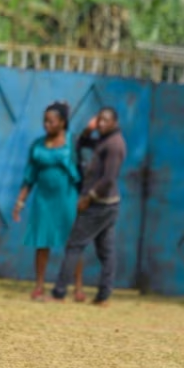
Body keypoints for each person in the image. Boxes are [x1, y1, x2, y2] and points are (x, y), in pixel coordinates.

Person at [50, 107, 126, 307]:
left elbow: (109, 178)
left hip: (99, 205)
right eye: (99, 120)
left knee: (74, 246)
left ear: (115, 122)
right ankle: (103, 296)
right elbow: (81, 144)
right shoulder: (104, 139)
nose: (101, 123)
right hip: (107, 204)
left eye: (106, 120)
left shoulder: (114, 145)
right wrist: (88, 130)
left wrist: (89, 197)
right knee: (106, 251)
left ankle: (59, 292)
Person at [12, 101, 85, 302]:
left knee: (73, 244)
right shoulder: (37, 145)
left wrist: (84, 197)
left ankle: (78, 288)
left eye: (51, 121)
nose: (46, 125)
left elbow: (83, 170)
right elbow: (29, 176)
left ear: (62, 122)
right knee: (42, 242)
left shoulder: (72, 143)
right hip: (43, 200)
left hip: (67, 198)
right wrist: (20, 202)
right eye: (45, 121)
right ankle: (39, 285)